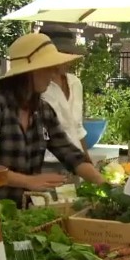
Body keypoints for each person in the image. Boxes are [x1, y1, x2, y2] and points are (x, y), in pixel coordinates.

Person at [0, 33, 106, 208]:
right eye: (48, 68)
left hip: (24, 209)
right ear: (29, 72)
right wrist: (28, 181)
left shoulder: (42, 110)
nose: (53, 74)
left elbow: (71, 154)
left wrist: (105, 186)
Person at [40, 25, 91, 164]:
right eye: (63, 53)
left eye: (70, 54)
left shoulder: (75, 83)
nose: (68, 59)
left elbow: (78, 129)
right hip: (46, 165)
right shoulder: (38, 88)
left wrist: (87, 162)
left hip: (75, 163)